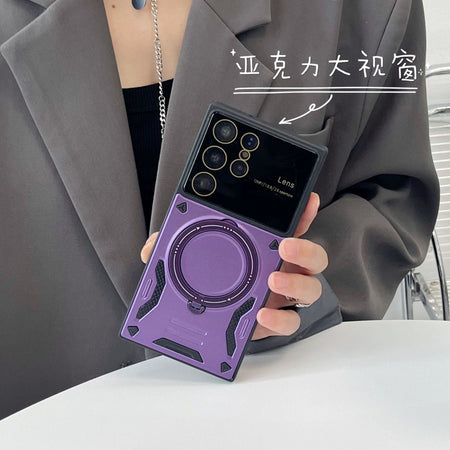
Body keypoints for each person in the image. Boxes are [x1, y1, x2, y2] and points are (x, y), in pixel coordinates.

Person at [0, 0, 439, 419]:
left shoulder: (362, 8)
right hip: (36, 409)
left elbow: (393, 193)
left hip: (272, 404)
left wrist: (301, 287)